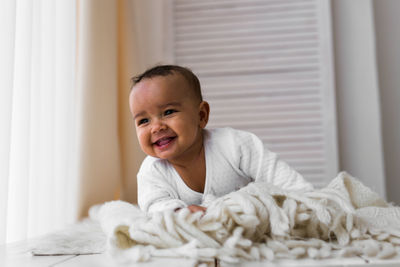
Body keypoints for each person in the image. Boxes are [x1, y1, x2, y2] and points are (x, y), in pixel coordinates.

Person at [129, 65, 313, 214]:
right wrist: (179, 213)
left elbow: (284, 180)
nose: (156, 127)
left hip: (249, 221)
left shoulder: (235, 144)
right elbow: (154, 206)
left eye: (168, 112)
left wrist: (310, 204)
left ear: (201, 115)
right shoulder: (151, 171)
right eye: (143, 121)